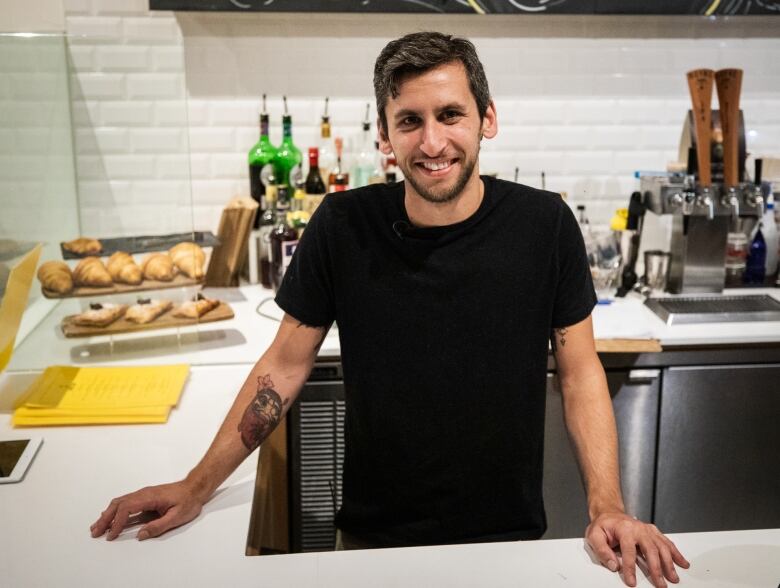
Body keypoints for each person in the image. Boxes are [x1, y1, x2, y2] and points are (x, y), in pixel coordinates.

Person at [91, 32, 689, 588]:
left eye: (450, 115)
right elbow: (283, 366)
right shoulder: (342, 225)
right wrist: (196, 486)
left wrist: (607, 505)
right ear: (385, 136)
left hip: (509, 536)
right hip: (373, 542)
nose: (432, 143)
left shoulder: (544, 226)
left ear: (487, 119)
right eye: (410, 121)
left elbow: (581, 371)